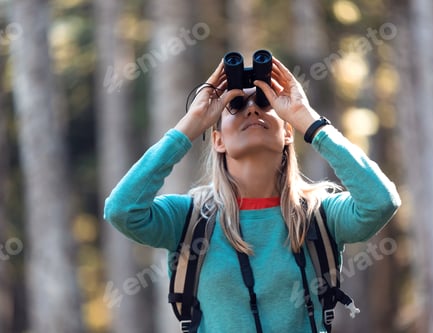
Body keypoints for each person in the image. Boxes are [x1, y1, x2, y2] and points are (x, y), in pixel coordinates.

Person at [104, 55, 401, 332]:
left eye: (263, 102)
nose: (252, 108)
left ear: (288, 133)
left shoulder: (319, 215)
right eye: (235, 105)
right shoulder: (189, 219)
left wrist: (308, 119)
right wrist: (190, 126)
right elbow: (122, 209)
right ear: (217, 140)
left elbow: (380, 202)